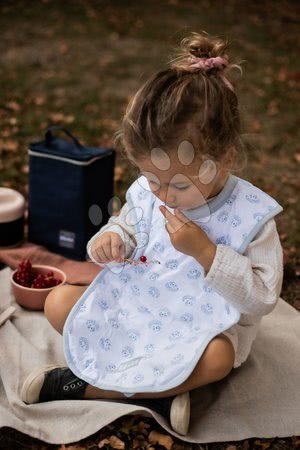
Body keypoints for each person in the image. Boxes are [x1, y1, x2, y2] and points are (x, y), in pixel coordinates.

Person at [21, 31, 284, 436]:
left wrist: (207, 254)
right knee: (59, 302)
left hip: (201, 330)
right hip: (140, 307)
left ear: (225, 159)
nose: (163, 194)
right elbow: (126, 225)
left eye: (178, 186)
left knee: (217, 358)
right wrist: (110, 241)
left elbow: (263, 298)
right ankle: (159, 394)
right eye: (151, 179)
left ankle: (87, 386)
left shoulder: (251, 216)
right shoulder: (151, 189)